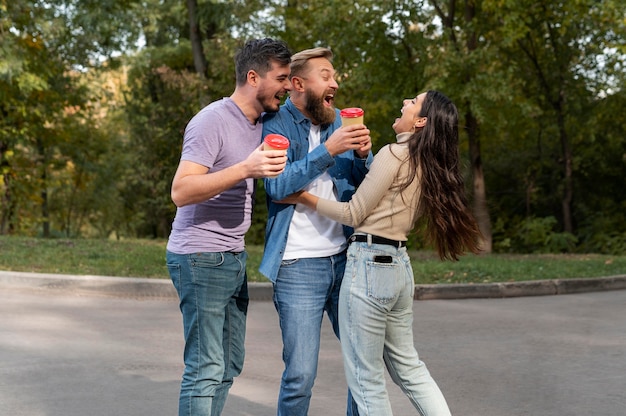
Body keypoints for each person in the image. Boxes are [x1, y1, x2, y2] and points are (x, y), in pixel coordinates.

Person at [278, 90, 483, 415]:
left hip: (369, 269)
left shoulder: (394, 154)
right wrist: (363, 156)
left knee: (367, 380)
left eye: (413, 102)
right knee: (410, 370)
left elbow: (353, 213)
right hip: (400, 269)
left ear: (420, 121)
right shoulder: (426, 162)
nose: (403, 102)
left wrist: (304, 199)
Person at [165, 38, 292, 416]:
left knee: (228, 365)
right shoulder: (212, 120)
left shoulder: (262, 122)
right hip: (199, 255)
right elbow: (181, 190)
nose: (287, 86)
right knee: (205, 368)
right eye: (281, 78)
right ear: (253, 77)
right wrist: (245, 169)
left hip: (232, 256)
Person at [259, 47, 373, 416]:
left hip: (346, 259)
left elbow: (364, 187)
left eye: (334, 75)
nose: (335, 83)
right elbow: (276, 189)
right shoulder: (275, 124)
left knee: (363, 363)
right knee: (301, 376)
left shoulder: (341, 120)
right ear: (297, 84)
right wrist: (327, 150)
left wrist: (361, 156)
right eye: (325, 75)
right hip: (297, 265)